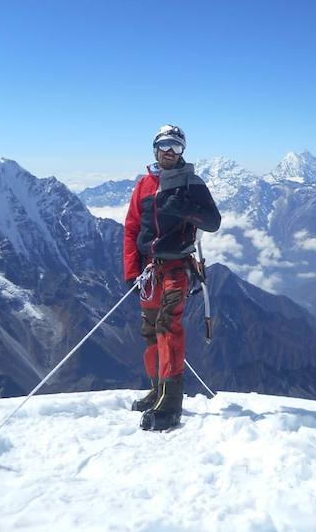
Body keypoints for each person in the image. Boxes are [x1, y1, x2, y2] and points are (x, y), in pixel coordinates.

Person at [123, 124, 221, 431]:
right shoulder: (144, 185)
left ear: (183, 151)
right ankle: (157, 390)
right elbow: (132, 228)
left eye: (176, 146)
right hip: (150, 272)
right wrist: (131, 270)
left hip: (176, 268)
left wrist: (187, 209)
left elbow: (212, 221)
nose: (169, 151)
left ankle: (171, 403)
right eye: (165, 145)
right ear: (154, 148)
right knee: (150, 331)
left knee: (167, 329)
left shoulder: (191, 183)